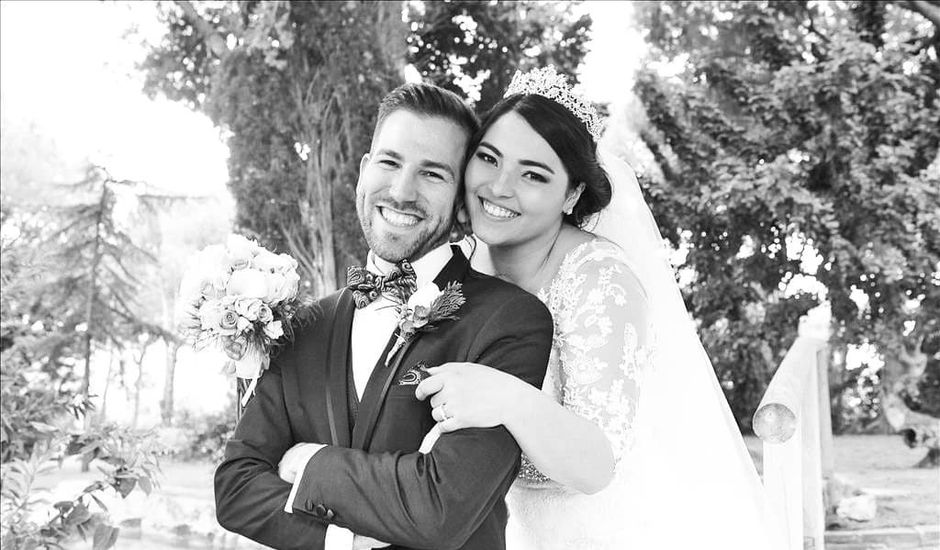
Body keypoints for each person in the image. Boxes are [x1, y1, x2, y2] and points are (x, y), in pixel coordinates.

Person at [414, 67, 784, 549]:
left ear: (572, 194)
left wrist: (504, 398)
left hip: (594, 529)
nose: (498, 187)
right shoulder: (452, 263)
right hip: (480, 526)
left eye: (533, 174)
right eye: (489, 158)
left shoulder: (600, 280)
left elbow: (594, 464)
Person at [213, 83, 554, 550]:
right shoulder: (299, 325)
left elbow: (441, 509)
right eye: (389, 162)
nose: (401, 190)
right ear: (362, 171)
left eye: (432, 174)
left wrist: (311, 463)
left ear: (460, 200)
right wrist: (342, 542)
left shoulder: (512, 321)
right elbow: (236, 488)